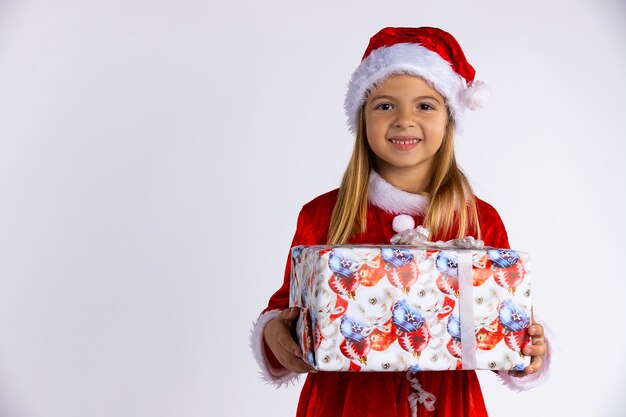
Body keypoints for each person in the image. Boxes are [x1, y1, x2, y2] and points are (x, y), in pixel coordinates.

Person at [250, 27, 553, 417]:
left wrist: (530, 351)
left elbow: (505, 319)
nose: (404, 120)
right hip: (345, 403)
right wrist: (275, 332)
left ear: (449, 120)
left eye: (425, 106)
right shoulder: (323, 214)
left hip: (447, 402)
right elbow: (287, 306)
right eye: (385, 106)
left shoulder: (479, 219)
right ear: (362, 118)